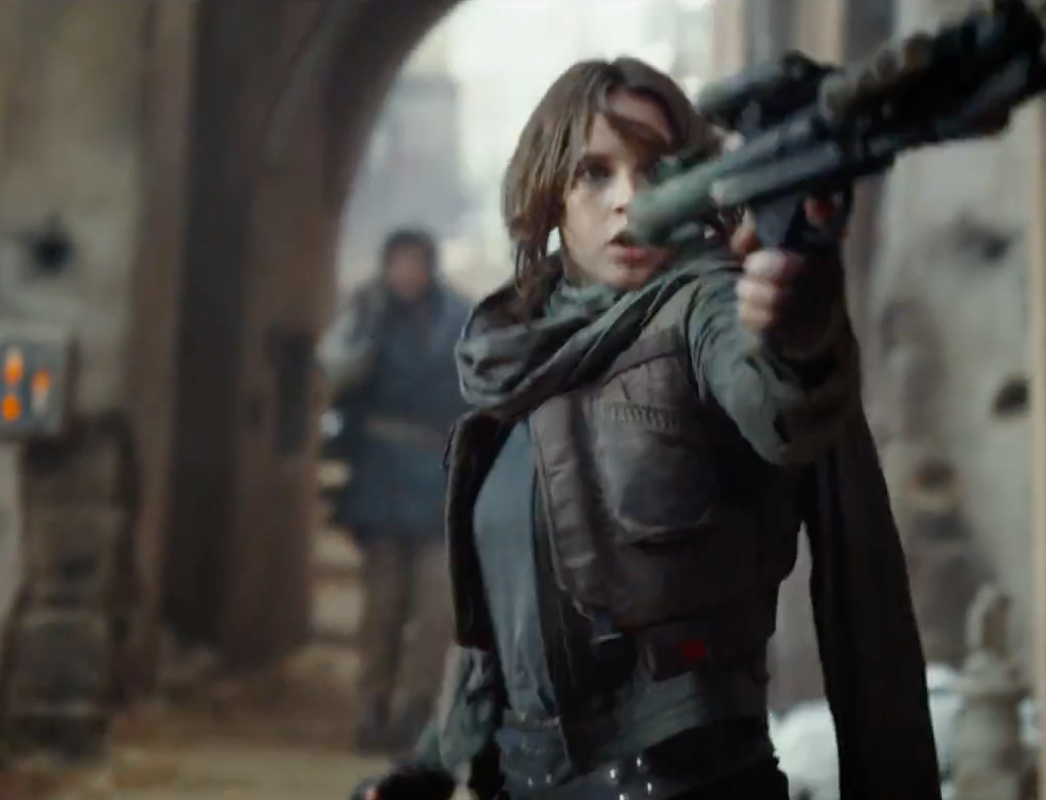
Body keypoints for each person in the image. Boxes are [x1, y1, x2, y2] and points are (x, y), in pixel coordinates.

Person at [355, 56, 939, 800]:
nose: (629, 199)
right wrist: (431, 767)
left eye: (656, 170)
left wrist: (796, 319)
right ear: (550, 194)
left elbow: (784, 404)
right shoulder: (514, 364)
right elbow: (501, 635)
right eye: (594, 173)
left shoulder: (705, 308)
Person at [318, 228, 472, 753]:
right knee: (382, 607)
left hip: (440, 478)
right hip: (381, 478)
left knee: (437, 610)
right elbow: (335, 371)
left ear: (429, 266)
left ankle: (416, 711)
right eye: (397, 262)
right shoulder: (368, 314)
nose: (406, 272)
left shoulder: (459, 319)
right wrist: (366, 330)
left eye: (415, 262)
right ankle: (373, 707)